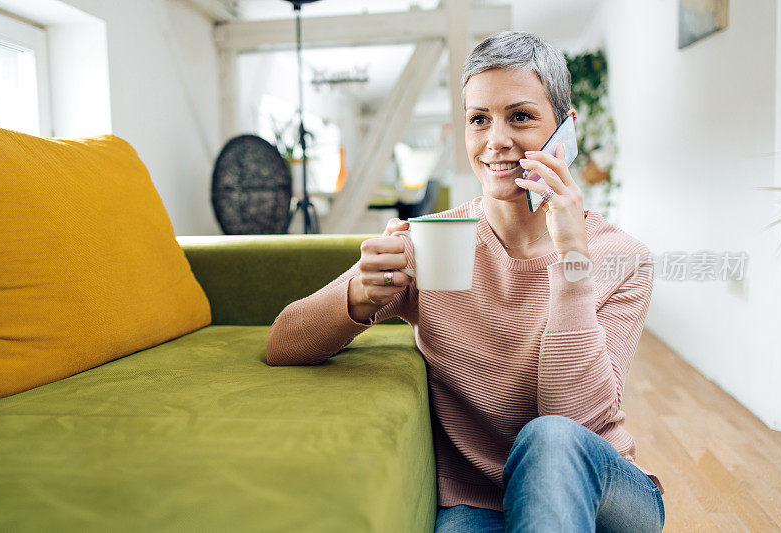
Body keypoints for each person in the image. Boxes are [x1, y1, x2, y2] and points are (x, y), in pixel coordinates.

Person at [267, 30, 665, 533]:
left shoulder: (621, 258)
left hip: (604, 494)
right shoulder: (429, 244)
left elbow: (570, 420)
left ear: (565, 128)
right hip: (477, 503)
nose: (496, 141)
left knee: (551, 439)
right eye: (479, 119)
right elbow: (282, 341)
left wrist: (571, 258)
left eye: (520, 116)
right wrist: (358, 295)